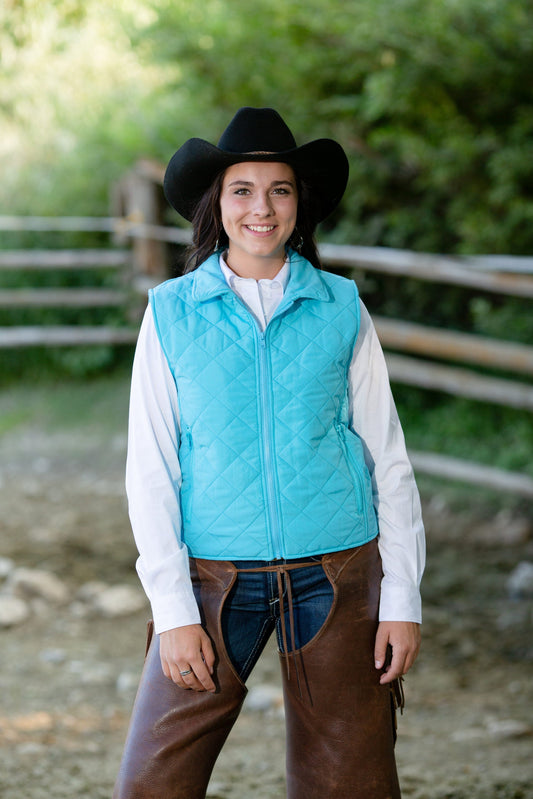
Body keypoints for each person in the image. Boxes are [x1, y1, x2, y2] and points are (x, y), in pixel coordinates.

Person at [113, 107, 425, 799]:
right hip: (213, 578)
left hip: (338, 572)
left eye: (279, 189)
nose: (262, 207)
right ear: (216, 205)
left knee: (351, 787)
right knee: (151, 783)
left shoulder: (341, 306)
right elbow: (151, 468)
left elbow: (388, 457)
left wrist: (400, 595)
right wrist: (172, 609)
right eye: (242, 189)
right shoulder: (170, 311)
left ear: (298, 203)